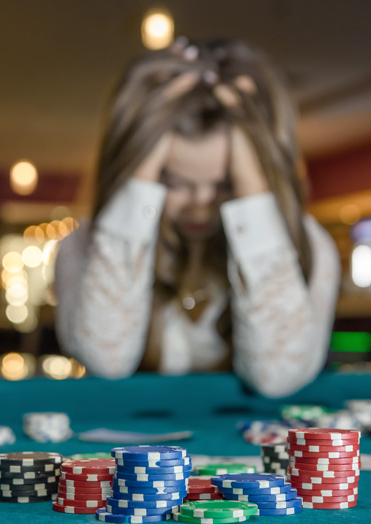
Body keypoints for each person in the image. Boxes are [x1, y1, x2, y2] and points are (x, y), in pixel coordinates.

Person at [54, 38, 340, 398]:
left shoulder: (311, 243)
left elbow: (278, 377)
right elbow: (106, 362)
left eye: (225, 183)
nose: (200, 204)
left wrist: (252, 188)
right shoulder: (83, 244)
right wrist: (142, 154)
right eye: (173, 182)